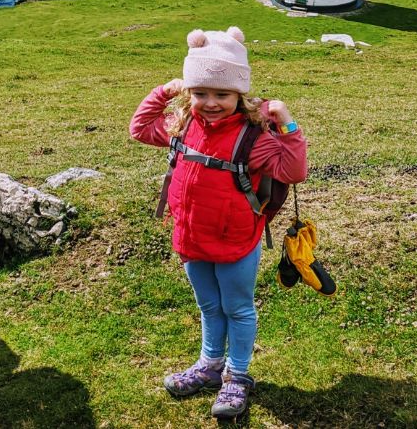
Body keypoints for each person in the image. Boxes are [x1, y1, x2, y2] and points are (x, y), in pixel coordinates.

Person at [129, 26, 308, 418]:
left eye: (222, 94)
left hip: (237, 240)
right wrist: (164, 92)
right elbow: (139, 129)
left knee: (238, 308)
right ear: (189, 92)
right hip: (192, 236)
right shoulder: (183, 125)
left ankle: (237, 376)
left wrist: (288, 125)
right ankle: (210, 366)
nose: (210, 103)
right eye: (200, 93)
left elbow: (293, 171)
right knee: (209, 305)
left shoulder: (253, 137)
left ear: (239, 95)